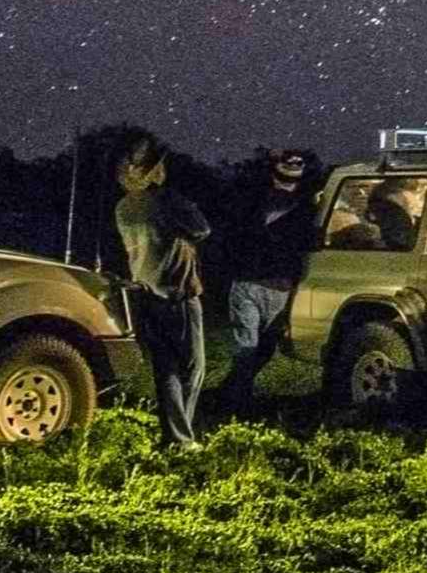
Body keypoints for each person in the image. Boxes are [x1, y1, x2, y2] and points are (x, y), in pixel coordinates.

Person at [113, 132, 213, 449]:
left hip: (144, 293)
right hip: (178, 293)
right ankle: (181, 438)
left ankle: (174, 436)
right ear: (153, 171)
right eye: (160, 165)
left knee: (165, 369)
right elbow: (201, 228)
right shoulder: (167, 200)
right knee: (193, 368)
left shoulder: (123, 207)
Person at [209, 146, 318, 417]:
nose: (293, 167)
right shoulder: (297, 207)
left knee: (260, 349)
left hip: (264, 284)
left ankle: (228, 394)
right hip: (259, 284)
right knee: (251, 348)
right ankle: (237, 405)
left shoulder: (282, 203)